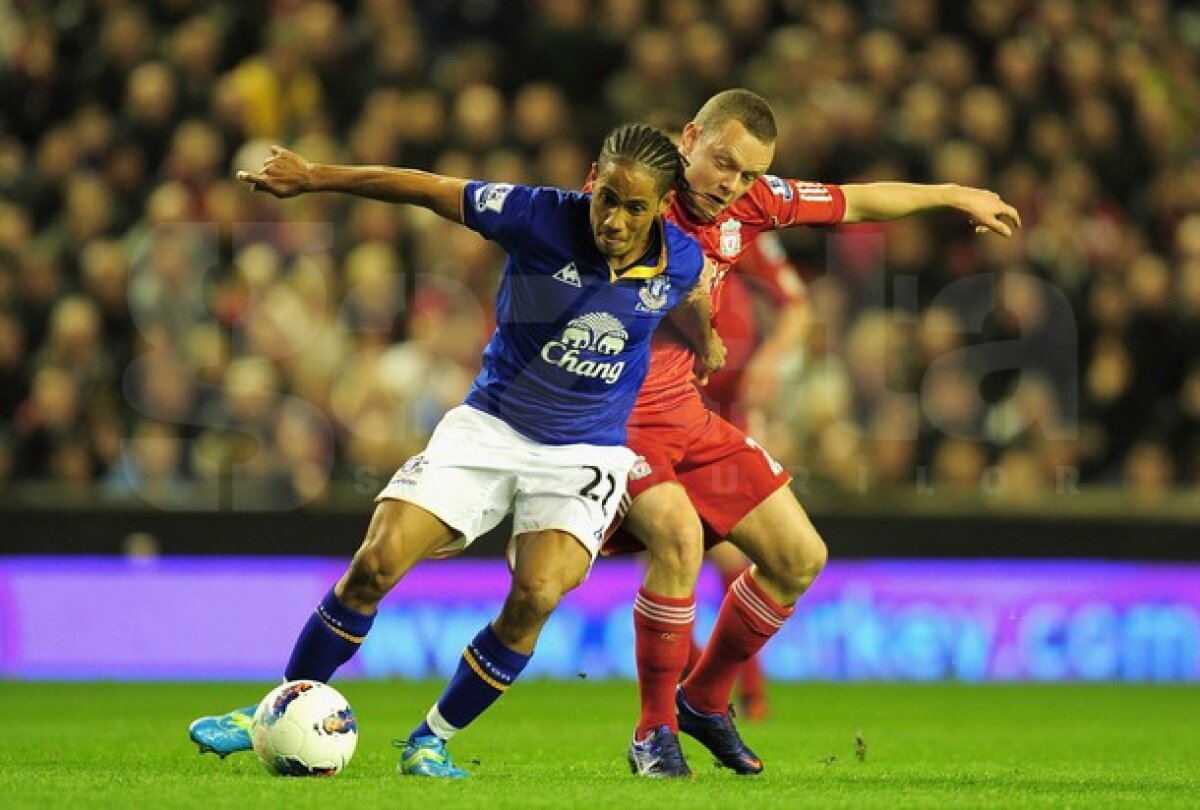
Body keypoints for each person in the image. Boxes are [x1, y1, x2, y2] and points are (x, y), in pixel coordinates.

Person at [187, 123, 718, 778]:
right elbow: (430, 189)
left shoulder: (682, 260)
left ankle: (430, 740)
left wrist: (707, 339)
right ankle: (271, 709)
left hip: (583, 454)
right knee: (376, 563)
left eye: (634, 207)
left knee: (538, 594)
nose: (613, 218)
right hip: (489, 429)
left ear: (663, 206)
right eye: (607, 197)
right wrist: (317, 175)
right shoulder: (539, 216)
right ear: (593, 180)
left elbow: (688, 297)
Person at [603, 89, 1021, 777]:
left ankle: (704, 700)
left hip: (690, 415)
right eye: (721, 164)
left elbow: (856, 200)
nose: (730, 185)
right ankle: (653, 732)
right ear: (689, 139)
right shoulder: (632, 181)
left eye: (745, 174)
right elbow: (637, 263)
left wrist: (952, 193)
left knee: (798, 556)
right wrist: (701, 322)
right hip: (615, 414)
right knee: (677, 542)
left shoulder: (751, 203)